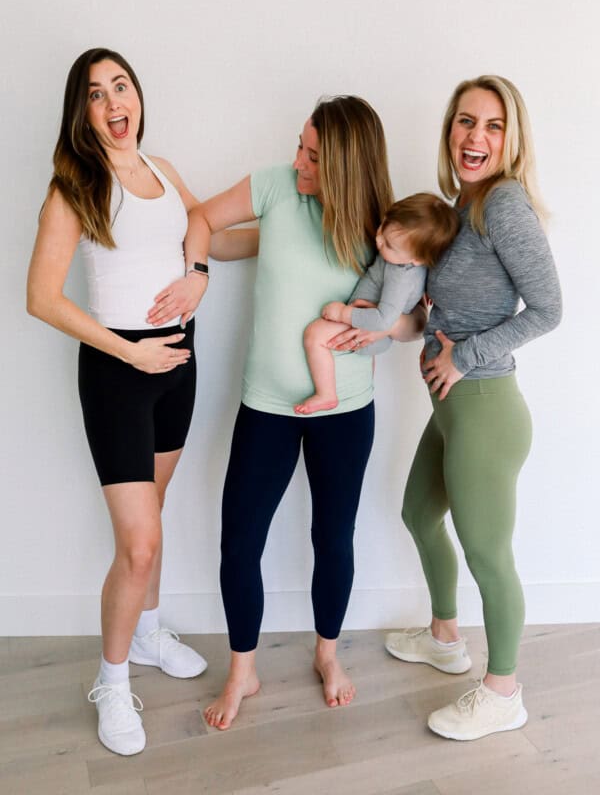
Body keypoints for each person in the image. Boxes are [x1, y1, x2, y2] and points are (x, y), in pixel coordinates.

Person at [148, 95, 428, 730]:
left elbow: (413, 319)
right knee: (239, 542)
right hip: (267, 406)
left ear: (349, 167)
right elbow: (200, 220)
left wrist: (381, 329)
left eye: (314, 155)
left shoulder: (383, 227)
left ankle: (327, 654)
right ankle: (242, 667)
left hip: (346, 409)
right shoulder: (275, 185)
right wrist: (198, 271)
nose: (299, 160)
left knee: (333, 538)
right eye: (300, 144)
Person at [26, 48, 209, 756]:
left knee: (153, 525)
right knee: (139, 544)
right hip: (118, 371)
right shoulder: (75, 185)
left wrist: (198, 275)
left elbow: (201, 224)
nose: (112, 103)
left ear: (136, 95)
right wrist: (128, 351)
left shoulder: (162, 171)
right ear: (84, 113)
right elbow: (41, 298)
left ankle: (152, 631)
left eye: (120, 86)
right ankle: (110, 678)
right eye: (96, 94)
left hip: (179, 365)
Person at [384, 75, 562, 741]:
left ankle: (503, 691)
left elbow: (549, 310)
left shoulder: (504, 204)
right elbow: (433, 316)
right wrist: (386, 329)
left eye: (491, 126)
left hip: (485, 408)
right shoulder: (457, 208)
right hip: (452, 407)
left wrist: (463, 357)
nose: (474, 137)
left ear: (510, 140)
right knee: (418, 514)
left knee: (488, 553)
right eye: (465, 122)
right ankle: (444, 635)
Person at [294, 193, 459, 414]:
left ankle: (326, 393)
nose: (379, 240)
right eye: (383, 227)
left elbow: (384, 320)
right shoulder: (404, 257)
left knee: (314, 335)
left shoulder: (401, 275)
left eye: (389, 245)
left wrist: (343, 313)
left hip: (368, 326)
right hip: (366, 321)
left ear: (417, 259)